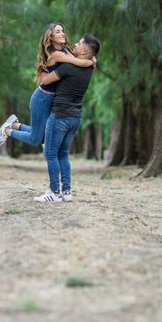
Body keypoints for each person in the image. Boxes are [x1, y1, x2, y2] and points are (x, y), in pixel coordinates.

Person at [0, 23, 95, 147]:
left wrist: (91, 59)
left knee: (43, 137)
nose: (62, 33)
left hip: (51, 99)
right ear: (50, 37)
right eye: (57, 32)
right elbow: (79, 62)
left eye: (62, 31)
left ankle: (14, 124)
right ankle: (7, 131)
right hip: (42, 98)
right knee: (35, 140)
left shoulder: (65, 50)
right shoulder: (57, 54)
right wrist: (91, 61)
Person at [33, 34, 101, 203]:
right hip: (75, 118)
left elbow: (45, 81)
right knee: (63, 154)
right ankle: (67, 191)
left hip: (60, 117)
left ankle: (54, 192)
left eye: (78, 44)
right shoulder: (90, 67)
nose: (74, 45)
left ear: (84, 50)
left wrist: (42, 65)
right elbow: (91, 60)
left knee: (50, 154)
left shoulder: (68, 68)